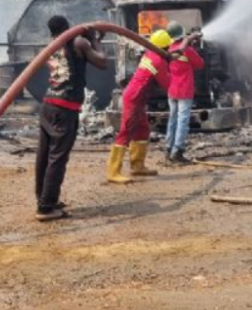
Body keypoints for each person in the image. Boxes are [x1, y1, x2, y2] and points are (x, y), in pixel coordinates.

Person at [35, 16, 108, 221]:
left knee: (44, 156)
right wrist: (95, 40)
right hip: (65, 108)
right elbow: (102, 62)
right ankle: (46, 208)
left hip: (48, 104)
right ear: (68, 28)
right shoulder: (78, 42)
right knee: (57, 157)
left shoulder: (50, 45)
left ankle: (44, 199)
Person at [108, 29, 172, 183]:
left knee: (142, 130)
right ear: (165, 47)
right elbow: (167, 84)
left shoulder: (151, 55)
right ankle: (113, 172)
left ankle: (137, 166)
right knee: (126, 132)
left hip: (137, 97)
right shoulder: (159, 61)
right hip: (134, 98)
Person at [165, 22, 204, 164]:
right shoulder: (187, 50)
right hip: (185, 90)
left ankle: (168, 149)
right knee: (182, 121)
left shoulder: (170, 48)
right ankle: (178, 151)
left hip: (172, 90)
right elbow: (200, 64)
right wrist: (192, 46)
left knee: (172, 120)